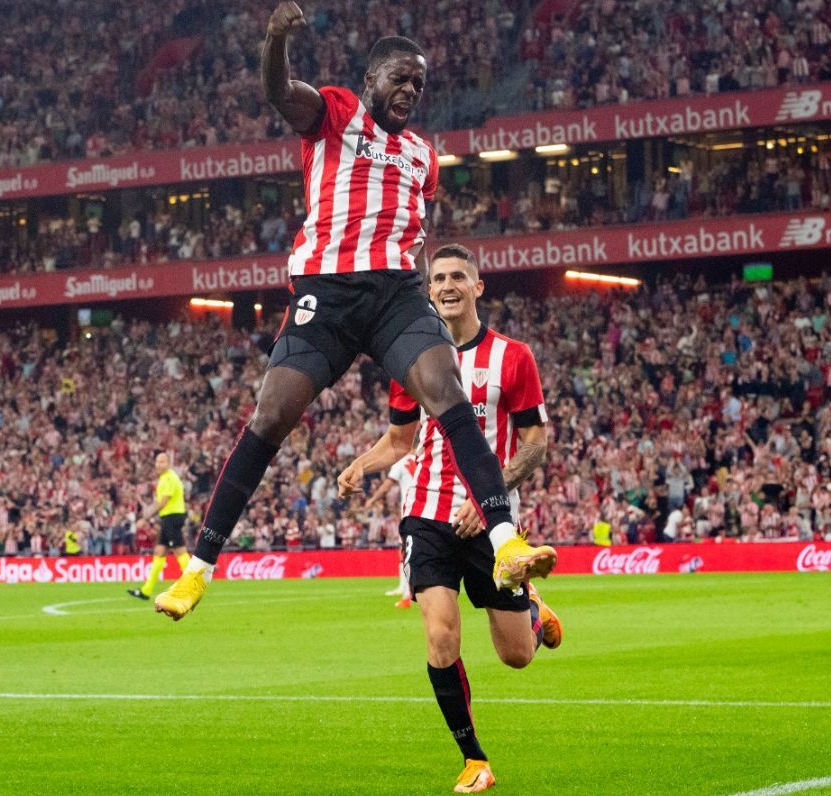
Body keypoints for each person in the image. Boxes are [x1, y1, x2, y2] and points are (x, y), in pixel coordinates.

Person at [154, 2, 553, 621]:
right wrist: (275, 39)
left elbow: (417, 227)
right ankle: (199, 567)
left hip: (396, 294)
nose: (411, 91)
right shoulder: (336, 112)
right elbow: (278, 91)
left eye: (419, 83)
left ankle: (506, 543)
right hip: (329, 293)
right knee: (271, 415)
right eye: (401, 77)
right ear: (373, 79)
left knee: (447, 391)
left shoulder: (423, 155)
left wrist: (422, 286)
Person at [338, 244, 562, 793]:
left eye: (458, 276)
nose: (446, 285)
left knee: (516, 657)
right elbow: (400, 440)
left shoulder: (514, 357)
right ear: (427, 288)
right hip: (427, 517)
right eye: (437, 278)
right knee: (441, 636)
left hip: (488, 521)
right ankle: (474, 760)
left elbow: (535, 443)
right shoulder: (409, 357)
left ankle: (530, 608)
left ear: (477, 287)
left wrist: (491, 494)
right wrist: (362, 464)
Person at [129, 451, 191, 600]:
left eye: (162, 462)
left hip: (172, 517)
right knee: (159, 551)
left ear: (168, 463)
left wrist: (145, 517)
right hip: (168, 517)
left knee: (180, 551)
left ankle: (193, 586)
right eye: (157, 461)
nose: (159, 464)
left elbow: (163, 501)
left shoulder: (169, 478)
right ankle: (146, 590)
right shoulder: (165, 478)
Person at [366, 453, 416, 608]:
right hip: (428, 510)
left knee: (405, 552)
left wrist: (373, 499)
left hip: (410, 511)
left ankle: (407, 596)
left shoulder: (402, 461)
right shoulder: (424, 456)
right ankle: (404, 588)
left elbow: (387, 485)